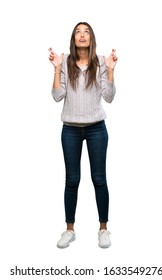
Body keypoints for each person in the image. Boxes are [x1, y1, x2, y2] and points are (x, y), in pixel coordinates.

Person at [48, 22, 118, 249]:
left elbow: (109, 96)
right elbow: (57, 96)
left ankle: (103, 229)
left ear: (92, 38)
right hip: (70, 129)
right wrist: (57, 69)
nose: (82, 35)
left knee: (99, 179)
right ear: (73, 38)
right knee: (72, 180)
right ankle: (70, 230)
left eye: (86, 31)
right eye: (78, 31)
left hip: (97, 128)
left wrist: (111, 69)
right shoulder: (67, 62)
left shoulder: (100, 62)